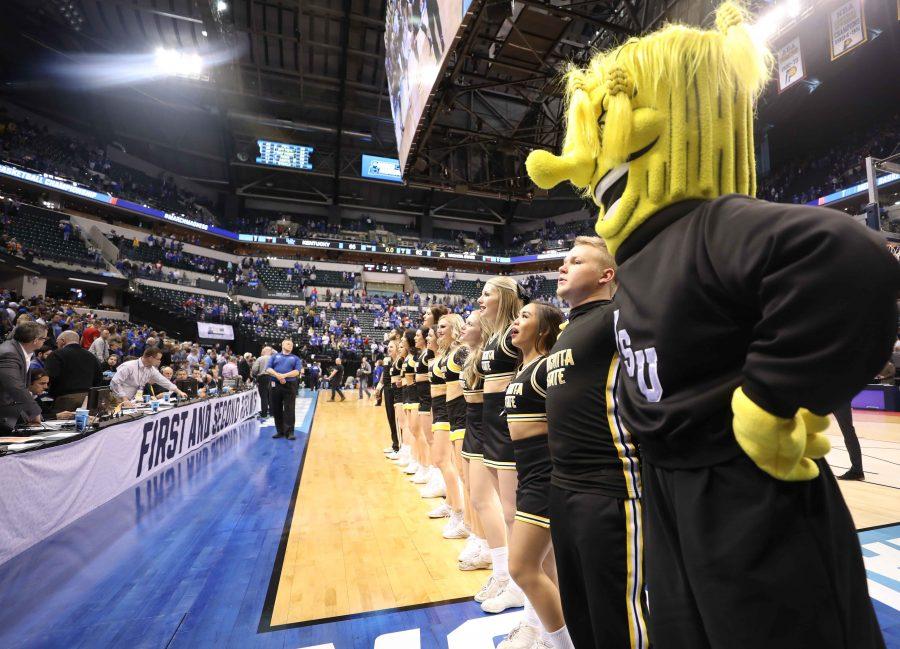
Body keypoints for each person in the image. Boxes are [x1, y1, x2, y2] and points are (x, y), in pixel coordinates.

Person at [525, 4, 893, 646]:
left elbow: (847, 255)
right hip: (668, 490)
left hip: (745, 494)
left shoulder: (712, 224)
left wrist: (770, 397)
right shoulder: (642, 254)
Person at [543, 237, 648, 649]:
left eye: (576, 261)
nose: (562, 268)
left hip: (609, 488)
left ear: (607, 275)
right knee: (579, 609)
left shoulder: (616, 317)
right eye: (563, 261)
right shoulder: (568, 331)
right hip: (562, 486)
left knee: (618, 615)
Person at [503, 301, 571, 649]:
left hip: (545, 474)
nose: (516, 322)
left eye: (525, 317)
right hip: (527, 470)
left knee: (521, 567)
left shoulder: (546, 369)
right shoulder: (523, 367)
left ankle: (561, 644)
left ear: (544, 330)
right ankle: (549, 635)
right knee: (545, 565)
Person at [473, 277, 525, 614]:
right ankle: (507, 576)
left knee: (513, 512)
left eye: (487, 293)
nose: (480, 299)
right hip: (489, 425)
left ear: (505, 298)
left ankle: (521, 584)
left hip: (508, 426)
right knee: (505, 510)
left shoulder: (515, 333)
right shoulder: (493, 336)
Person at [0, 322, 47, 432]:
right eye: (44, 338)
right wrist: (35, 413)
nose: (45, 341)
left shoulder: (21, 351)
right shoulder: (9, 353)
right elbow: (15, 387)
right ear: (35, 340)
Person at [44, 330, 102, 414]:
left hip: (65, 399)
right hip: (87, 398)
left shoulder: (56, 354)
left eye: (57, 342)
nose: (57, 345)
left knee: (63, 425)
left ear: (63, 341)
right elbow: (98, 378)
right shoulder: (91, 355)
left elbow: (51, 376)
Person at [110, 347, 187, 402]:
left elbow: (163, 380)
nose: (159, 361)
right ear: (150, 358)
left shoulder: (151, 369)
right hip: (117, 400)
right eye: (158, 359)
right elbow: (115, 382)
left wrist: (179, 391)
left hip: (132, 400)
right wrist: (124, 399)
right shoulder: (129, 366)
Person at [267, 339, 302, 440]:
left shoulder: (295, 358)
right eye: (288, 343)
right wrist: (278, 376)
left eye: (291, 344)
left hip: (290, 385)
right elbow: (268, 368)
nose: (290, 345)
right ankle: (280, 431)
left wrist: (284, 376)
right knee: (276, 408)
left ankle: (290, 432)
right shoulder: (274, 356)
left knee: (289, 408)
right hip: (275, 384)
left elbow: (297, 372)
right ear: (282, 345)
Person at [251, 346, 273, 419]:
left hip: (263, 378)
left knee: (264, 396)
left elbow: (254, 369)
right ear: (270, 351)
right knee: (271, 396)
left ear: (264, 351)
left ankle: (264, 414)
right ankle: (272, 413)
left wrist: (255, 375)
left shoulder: (260, 358)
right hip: (273, 378)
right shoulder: (274, 359)